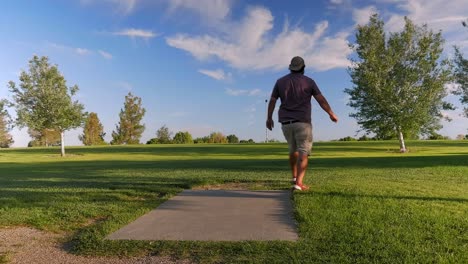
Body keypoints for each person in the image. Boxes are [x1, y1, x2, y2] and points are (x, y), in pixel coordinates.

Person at [266, 56, 338, 191]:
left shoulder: (280, 82)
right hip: (303, 123)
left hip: (286, 123)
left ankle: (294, 177)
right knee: (303, 151)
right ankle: (298, 183)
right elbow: (320, 99)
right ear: (303, 67)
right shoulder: (309, 82)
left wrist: (269, 118)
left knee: (293, 150)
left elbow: (272, 101)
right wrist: (331, 113)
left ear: (291, 68)